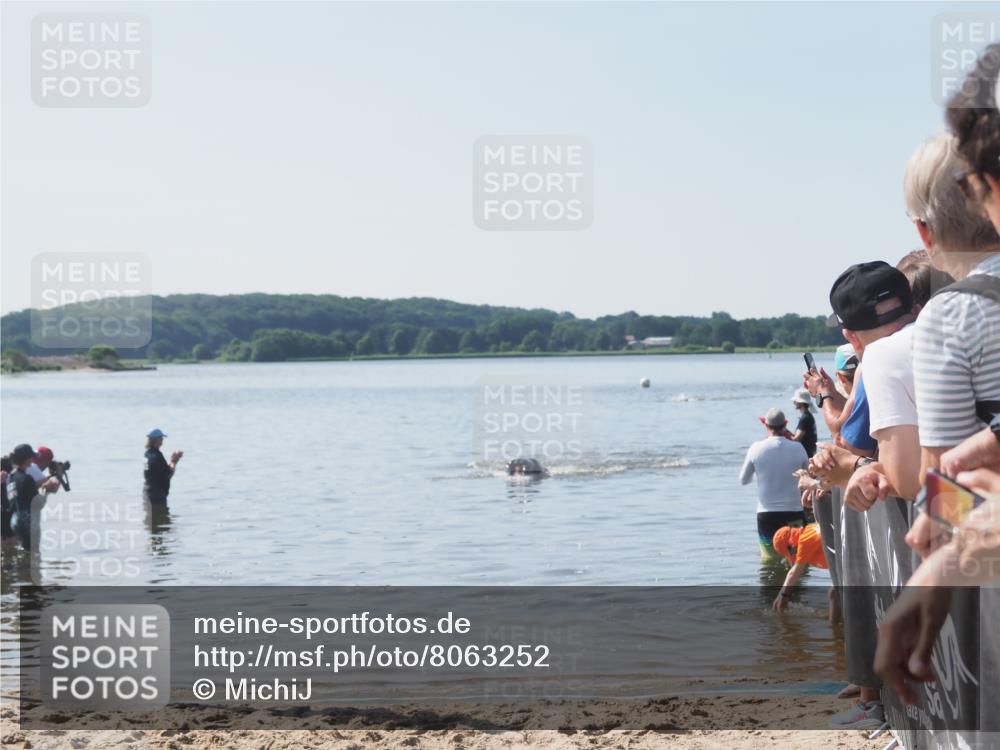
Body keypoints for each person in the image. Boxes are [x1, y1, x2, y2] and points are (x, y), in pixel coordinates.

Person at [740, 408, 809, 562]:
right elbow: (809, 477)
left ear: (766, 425)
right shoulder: (798, 448)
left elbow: (743, 480)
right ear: (785, 425)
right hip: (794, 513)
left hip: (767, 514)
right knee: (797, 561)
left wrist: (762, 474)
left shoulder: (756, 448)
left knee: (770, 562)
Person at [6, 444, 58, 549]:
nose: (33, 460)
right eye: (32, 457)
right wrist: (46, 489)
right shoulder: (27, 478)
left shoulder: (10, 478)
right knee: (32, 556)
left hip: (14, 521)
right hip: (28, 522)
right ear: (28, 460)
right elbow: (39, 504)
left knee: (20, 553)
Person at [770, 522, 828, 612]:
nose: (795, 554)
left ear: (791, 544)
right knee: (834, 595)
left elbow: (794, 572)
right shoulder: (809, 529)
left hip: (854, 558)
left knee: (834, 595)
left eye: (792, 552)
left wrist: (782, 595)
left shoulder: (804, 541)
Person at [144, 428, 182, 504]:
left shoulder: (147, 455)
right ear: (157, 440)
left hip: (147, 493)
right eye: (161, 438)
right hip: (157, 497)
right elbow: (169, 474)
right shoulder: (157, 456)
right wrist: (174, 462)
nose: (162, 440)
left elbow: (159, 470)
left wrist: (171, 462)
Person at [789, 389, 818, 458]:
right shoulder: (808, 416)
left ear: (801, 403)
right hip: (810, 453)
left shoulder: (805, 418)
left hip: (806, 455)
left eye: (796, 401)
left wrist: (783, 433)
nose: (794, 402)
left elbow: (796, 439)